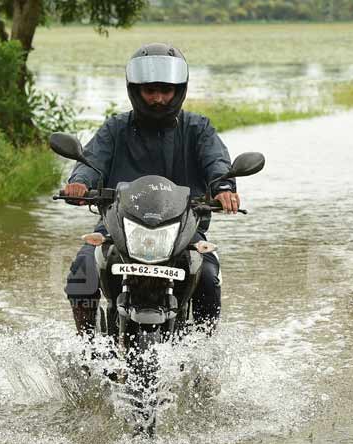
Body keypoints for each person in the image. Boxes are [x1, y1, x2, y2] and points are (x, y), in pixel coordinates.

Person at [60, 43, 240, 335]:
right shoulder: (115, 128)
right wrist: (80, 183)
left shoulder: (197, 128)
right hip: (117, 229)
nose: (158, 98)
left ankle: (203, 354)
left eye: (166, 90)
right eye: (150, 91)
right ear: (135, 90)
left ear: (179, 90)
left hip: (183, 231)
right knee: (83, 271)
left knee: (206, 275)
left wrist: (223, 188)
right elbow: (92, 161)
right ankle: (88, 349)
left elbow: (216, 160)